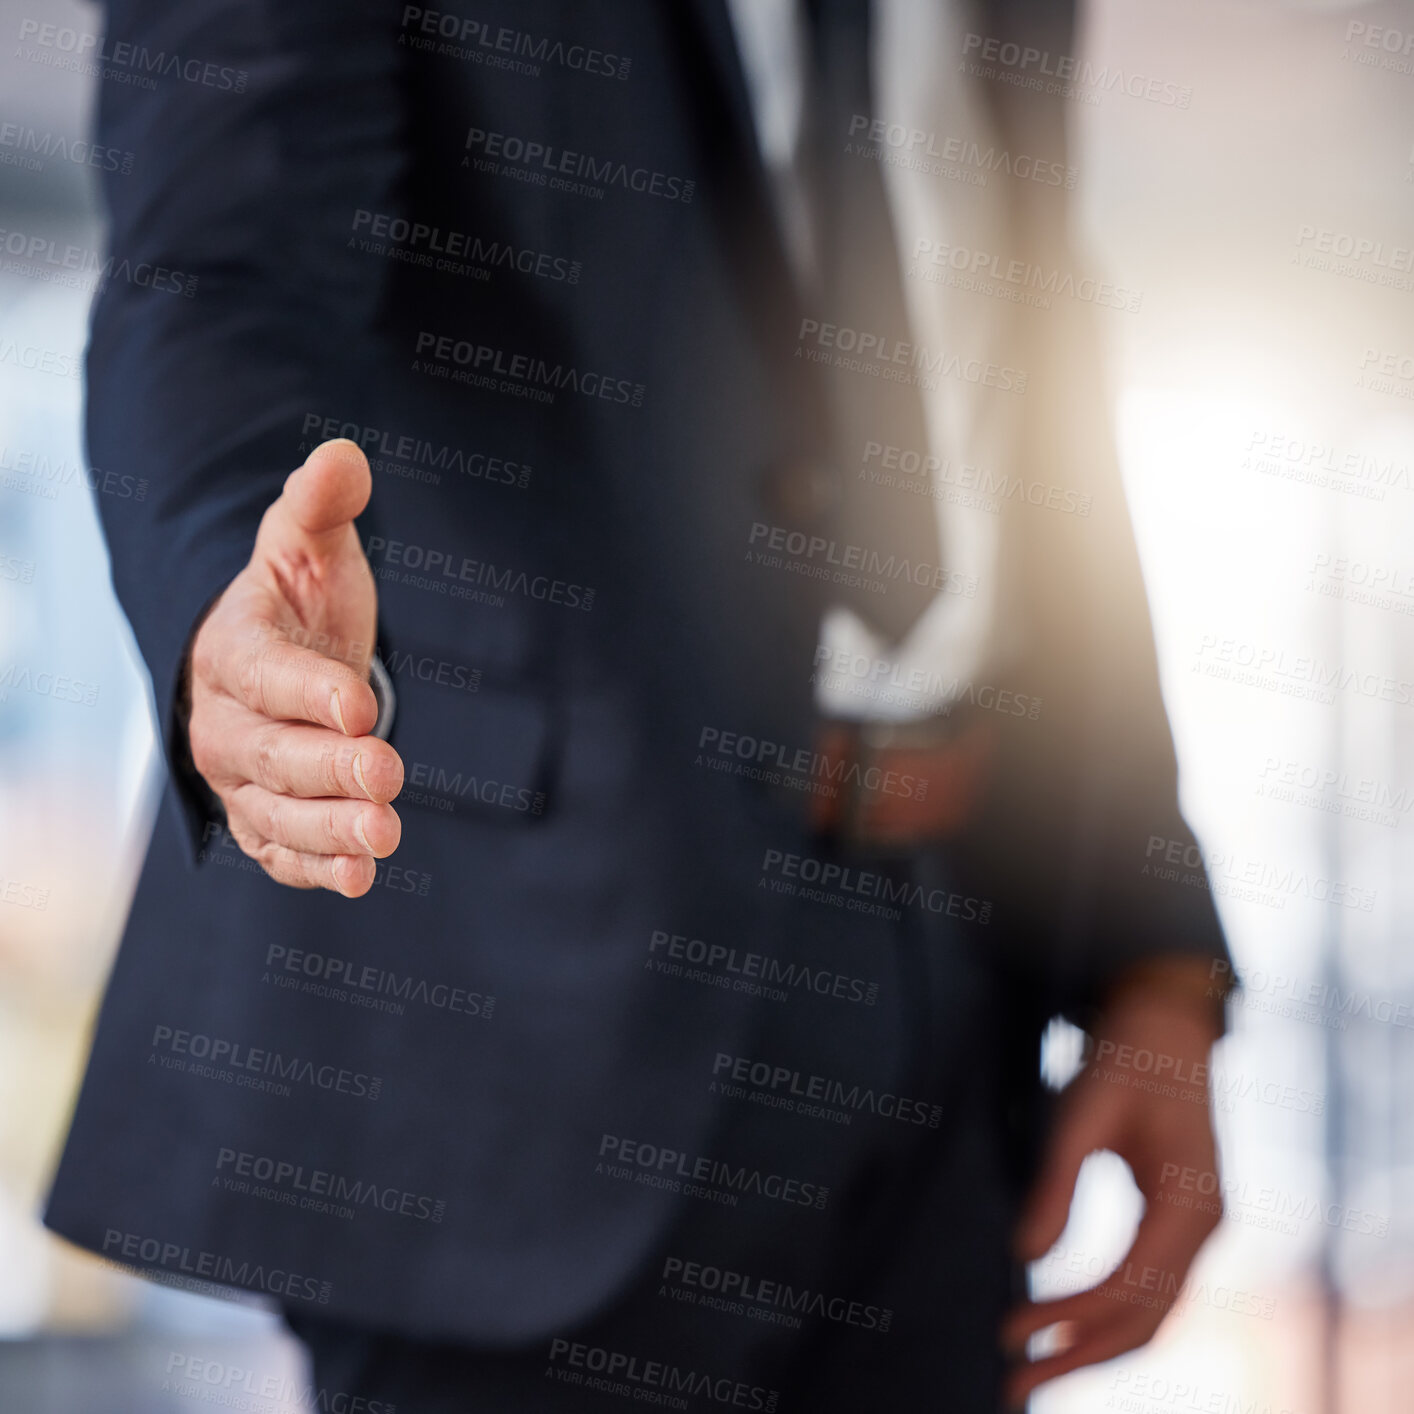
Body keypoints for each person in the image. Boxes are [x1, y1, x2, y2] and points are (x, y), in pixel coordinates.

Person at [46, 1, 1233, 1407]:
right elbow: (219, 271)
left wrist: (1153, 952)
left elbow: (1017, 356)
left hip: (944, 976)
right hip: (510, 1003)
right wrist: (220, 602)